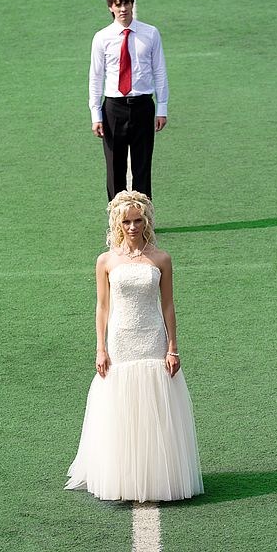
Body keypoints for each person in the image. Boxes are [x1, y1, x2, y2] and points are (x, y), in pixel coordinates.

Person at [64, 191, 203, 502]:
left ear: (146, 222)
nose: (132, 226)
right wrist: (100, 348)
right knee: (121, 406)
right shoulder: (106, 261)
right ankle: (124, 477)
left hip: (152, 337)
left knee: (155, 405)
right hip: (121, 340)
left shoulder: (161, 258)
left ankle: (156, 475)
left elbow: (168, 305)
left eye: (138, 220)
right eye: (126, 221)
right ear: (117, 222)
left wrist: (172, 347)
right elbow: (102, 307)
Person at [88, 0, 169, 201]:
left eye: (126, 3)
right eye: (118, 4)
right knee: (115, 167)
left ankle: (144, 219)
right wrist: (96, 115)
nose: (123, 8)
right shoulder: (102, 38)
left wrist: (162, 108)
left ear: (132, 4)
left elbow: (159, 71)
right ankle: (117, 219)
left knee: (142, 165)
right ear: (111, 8)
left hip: (143, 105)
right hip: (114, 108)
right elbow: (96, 77)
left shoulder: (150, 33)